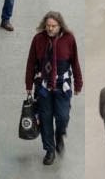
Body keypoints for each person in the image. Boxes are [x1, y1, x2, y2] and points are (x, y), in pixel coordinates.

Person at [26, 11, 85, 167]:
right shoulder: (38, 40)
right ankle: (49, 150)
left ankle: (59, 135)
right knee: (45, 119)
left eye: (53, 26)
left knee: (63, 117)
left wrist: (78, 83)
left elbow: (75, 62)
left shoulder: (69, 40)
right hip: (43, 87)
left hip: (62, 87)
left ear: (60, 26)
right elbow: (31, 63)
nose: (50, 29)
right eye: (48, 26)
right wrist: (28, 86)